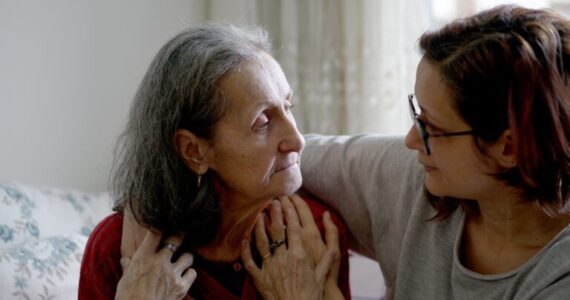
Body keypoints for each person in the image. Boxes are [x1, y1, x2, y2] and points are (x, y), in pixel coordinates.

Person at [293, 4, 570, 299]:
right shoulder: (416, 175)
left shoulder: (558, 280)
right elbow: (283, 158)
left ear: (509, 147)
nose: (411, 140)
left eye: (432, 127)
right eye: (417, 114)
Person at [78, 23, 350, 299]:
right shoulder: (117, 250)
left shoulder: (314, 236)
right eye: (263, 122)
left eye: (288, 107)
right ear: (194, 151)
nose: (297, 140)